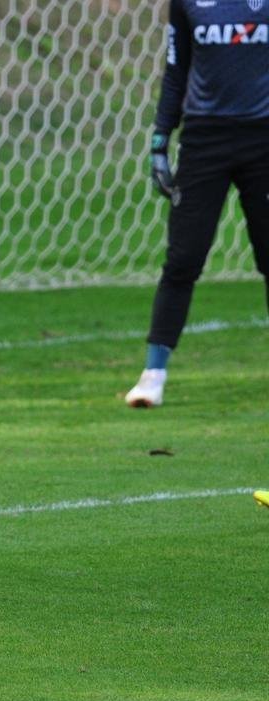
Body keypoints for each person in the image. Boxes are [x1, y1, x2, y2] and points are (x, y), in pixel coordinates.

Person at [124, 0, 269, 408]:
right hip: (204, 141)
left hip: (264, 139)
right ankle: (153, 376)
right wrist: (159, 139)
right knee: (183, 259)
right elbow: (176, 71)